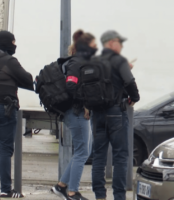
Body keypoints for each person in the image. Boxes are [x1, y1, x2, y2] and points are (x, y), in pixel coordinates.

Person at [0, 30, 34, 198]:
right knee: (6, 150)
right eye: (13, 42)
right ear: (7, 43)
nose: (14, 45)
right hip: (5, 109)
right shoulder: (9, 62)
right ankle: (5, 189)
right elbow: (27, 79)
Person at [91, 30, 140, 200]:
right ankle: (119, 196)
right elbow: (129, 82)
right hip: (116, 113)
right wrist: (134, 98)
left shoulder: (94, 61)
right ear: (111, 43)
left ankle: (99, 196)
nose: (122, 46)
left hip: (97, 114)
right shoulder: (119, 61)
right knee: (120, 156)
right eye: (120, 42)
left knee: (98, 156)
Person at [51, 29, 96, 200]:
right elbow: (71, 86)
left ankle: (61, 186)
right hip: (77, 112)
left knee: (84, 150)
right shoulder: (76, 63)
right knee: (82, 152)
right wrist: (84, 103)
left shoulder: (79, 61)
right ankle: (72, 192)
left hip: (77, 112)